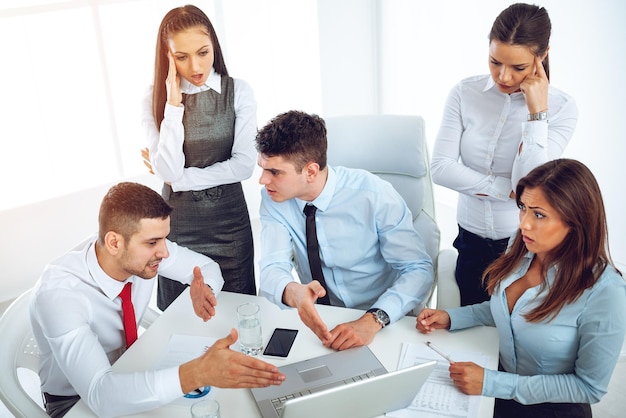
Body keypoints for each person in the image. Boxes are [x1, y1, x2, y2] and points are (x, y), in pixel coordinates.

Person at [30, 182, 285, 418]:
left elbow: (206, 266)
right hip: (74, 401)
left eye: (164, 238)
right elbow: (101, 394)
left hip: (131, 367)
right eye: (153, 242)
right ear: (114, 242)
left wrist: (203, 287)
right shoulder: (60, 295)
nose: (164, 252)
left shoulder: (139, 250)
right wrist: (197, 372)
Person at [416, 159, 626, 418]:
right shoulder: (522, 244)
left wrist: (492, 383)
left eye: (539, 214)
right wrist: (452, 317)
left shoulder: (607, 293)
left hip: (552, 408)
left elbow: (589, 387)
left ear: (575, 221)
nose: (524, 223)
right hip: (497, 392)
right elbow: (507, 309)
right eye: (523, 208)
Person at [430, 3, 578, 306]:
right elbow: (441, 168)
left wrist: (538, 115)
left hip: (522, 246)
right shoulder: (464, 94)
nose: (503, 76)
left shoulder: (562, 109)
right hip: (469, 240)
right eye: (495, 61)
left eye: (518, 67)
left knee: (512, 337)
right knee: (470, 332)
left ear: (542, 55)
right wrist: (506, 190)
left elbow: (531, 187)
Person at [255, 110, 434, 351]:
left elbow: (418, 270)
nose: (263, 180)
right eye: (263, 168)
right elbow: (272, 267)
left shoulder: (374, 194)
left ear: (310, 171)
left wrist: (373, 320)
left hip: (381, 319)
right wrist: (295, 293)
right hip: (322, 322)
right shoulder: (273, 199)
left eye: (274, 172)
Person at [141, 4, 257, 311]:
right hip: (178, 227)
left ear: (214, 49)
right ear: (166, 56)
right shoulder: (154, 99)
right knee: (181, 321)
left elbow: (244, 165)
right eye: (181, 56)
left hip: (230, 225)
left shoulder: (238, 92)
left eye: (203, 52)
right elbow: (168, 167)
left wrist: (180, 180)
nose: (195, 65)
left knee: (239, 313)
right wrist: (173, 106)